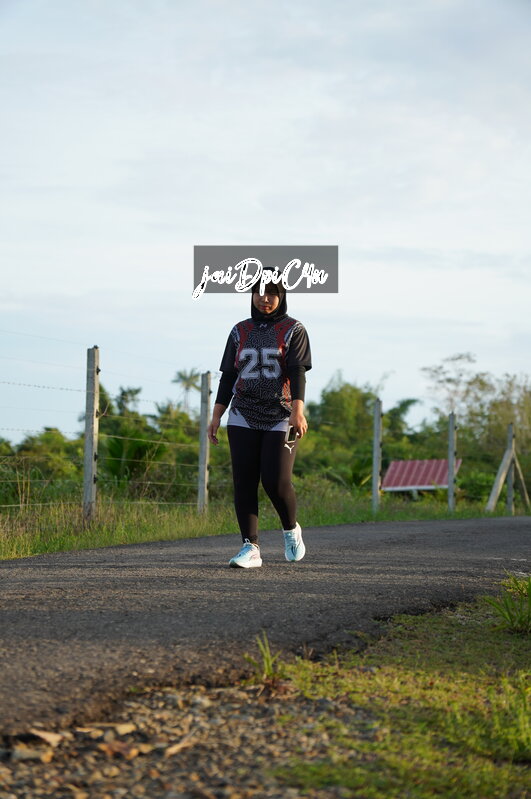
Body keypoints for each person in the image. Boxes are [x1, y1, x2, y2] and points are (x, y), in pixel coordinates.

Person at [207, 281, 312, 568]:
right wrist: (216, 415)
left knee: (275, 481)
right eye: (259, 293)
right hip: (242, 413)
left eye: (272, 294)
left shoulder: (293, 329)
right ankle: (250, 547)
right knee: (244, 481)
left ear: (282, 296)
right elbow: (228, 376)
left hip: (282, 414)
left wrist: (298, 410)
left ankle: (290, 529)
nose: (265, 299)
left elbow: (297, 371)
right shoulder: (239, 330)